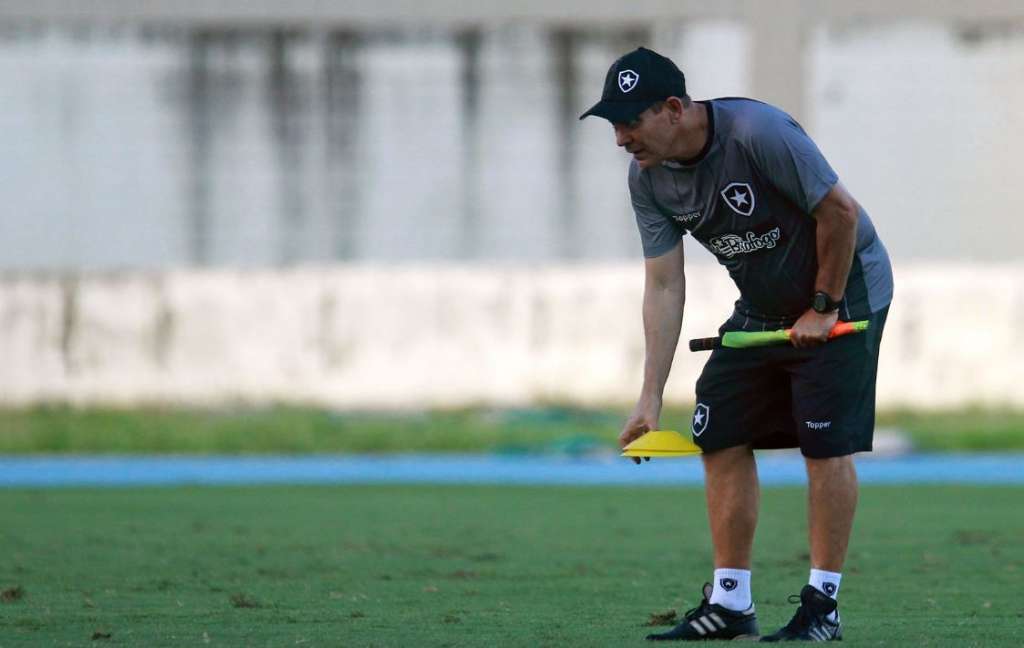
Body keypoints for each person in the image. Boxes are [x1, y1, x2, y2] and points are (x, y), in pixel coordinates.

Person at [580, 47, 893, 642]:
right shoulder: (647, 178)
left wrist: (822, 308)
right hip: (762, 307)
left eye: (630, 122)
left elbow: (841, 215)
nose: (621, 138)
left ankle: (822, 606)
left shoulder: (759, 134)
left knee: (824, 446)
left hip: (846, 293)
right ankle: (730, 603)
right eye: (614, 125)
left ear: (673, 109)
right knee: (718, 428)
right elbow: (665, 283)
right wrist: (649, 397)